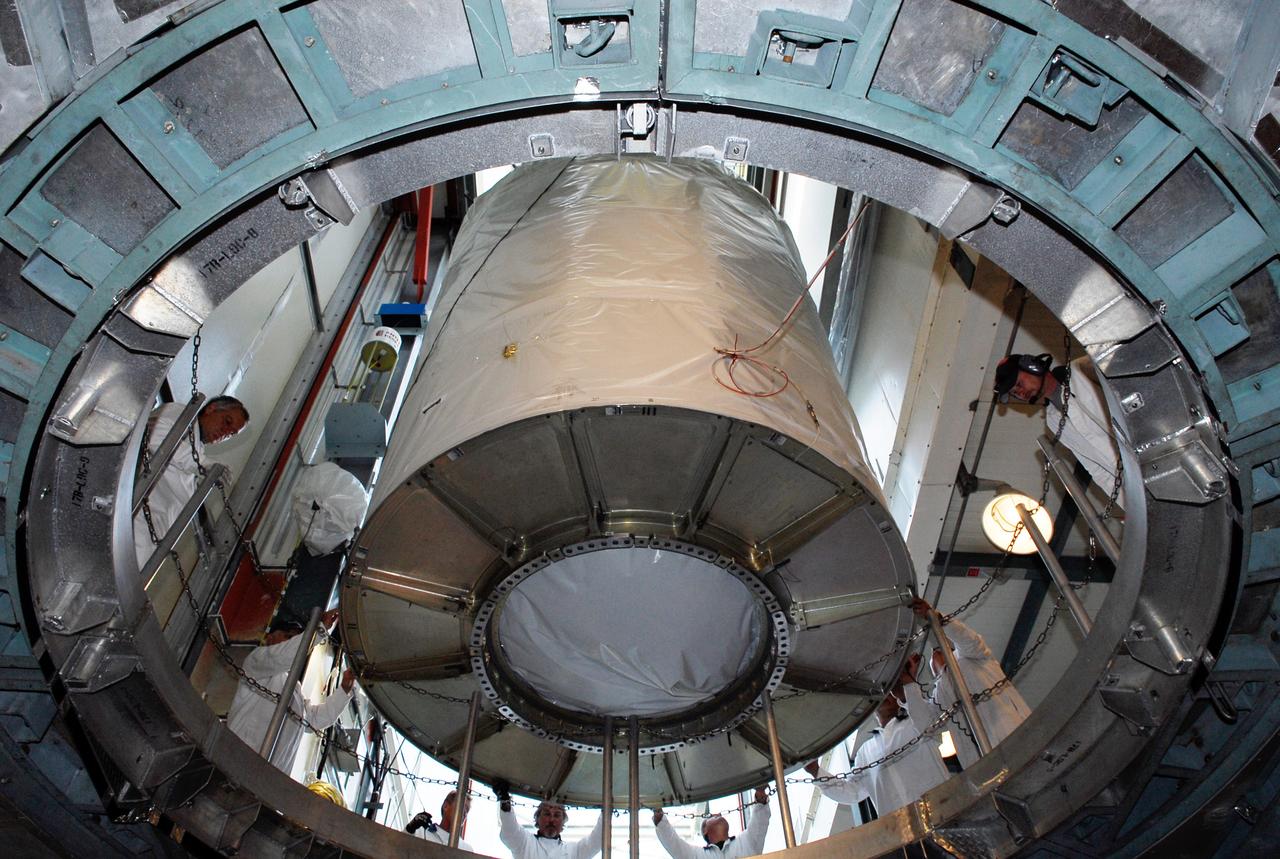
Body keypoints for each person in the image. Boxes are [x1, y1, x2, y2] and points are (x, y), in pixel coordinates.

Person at [804, 654, 950, 818]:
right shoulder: (864, 752)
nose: (884, 696)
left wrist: (907, 683)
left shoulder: (916, 721)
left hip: (944, 812)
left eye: (888, 691)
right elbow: (852, 792)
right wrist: (816, 771)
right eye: (879, 693)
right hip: (904, 829)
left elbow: (923, 717)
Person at [225, 610, 354, 773]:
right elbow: (283, 656)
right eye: (288, 636)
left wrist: (344, 690)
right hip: (236, 763)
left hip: (267, 780)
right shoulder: (257, 661)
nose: (292, 641)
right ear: (269, 638)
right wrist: (319, 630)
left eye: (296, 638)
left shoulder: (295, 689)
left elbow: (314, 720)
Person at [992, 353, 1125, 508]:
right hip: (1135, 481)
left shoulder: (1082, 370)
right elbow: (1096, 469)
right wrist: (1130, 505)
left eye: (1019, 384)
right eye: (1015, 393)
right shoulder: (1053, 422)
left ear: (1032, 367)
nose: (1021, 394)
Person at [133, 395, 251, 569]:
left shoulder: (197, 450)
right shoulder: (179, 414)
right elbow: (155, 437)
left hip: (147, 539)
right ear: (211, 408)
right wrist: (203, 463)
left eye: (231, 434)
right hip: (134, 517)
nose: (225, 433)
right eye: (227, 422)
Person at [911, 598, 1030, 767]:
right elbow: (926, 725)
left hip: (1013, 735)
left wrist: (937, 618)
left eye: (938, 650)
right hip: (982, 762)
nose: (934, 654)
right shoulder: (939, 695)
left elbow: (969, 640)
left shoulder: (972, 657)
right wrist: (908, 683)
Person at [495, 781, 603, 859]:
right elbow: (510, 830)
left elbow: (596, 841)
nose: (551, 819)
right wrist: (504, 799)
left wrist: (605, 812)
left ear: (563, 822)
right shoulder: (525, 843)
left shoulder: (574, 851)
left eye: (557, 815)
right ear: (537, 819)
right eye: (547, 814)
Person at [653, 786, 770, 858]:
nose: (717, 814)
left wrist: (760, 793)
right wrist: (659, 818)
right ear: (705, 830)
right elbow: (674, 844)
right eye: (711, 817)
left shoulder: (747, 841)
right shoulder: (695, 855)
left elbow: (760, 821)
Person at [407, 789, 475, 851]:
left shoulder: (467, 849)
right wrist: (411, 827)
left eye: (467, 810)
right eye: (461, 806)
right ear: (446, 806)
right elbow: (402, 848)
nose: (465, 813)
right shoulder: (420, 832)